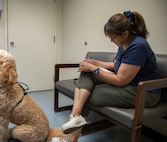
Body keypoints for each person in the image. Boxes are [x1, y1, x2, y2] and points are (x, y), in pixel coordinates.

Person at [53, 10, 161, 142]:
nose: (111, 41)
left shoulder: (138, 46)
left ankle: (70, 138)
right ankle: (74, 117)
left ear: (125, 33)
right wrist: (94, 63)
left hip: (144, 92)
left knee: (88, 95)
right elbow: (116, 65)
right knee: (86, 72)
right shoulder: (124, 43)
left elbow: (120, 80)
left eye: (113, 37)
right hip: (129, 84)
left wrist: (94, 69)